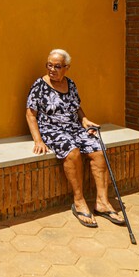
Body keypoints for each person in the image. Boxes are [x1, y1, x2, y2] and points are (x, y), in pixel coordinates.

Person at [26, 49, 125, 228]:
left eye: (57, 66)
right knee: (72, 152)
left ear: (66, 68)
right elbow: (30, 114)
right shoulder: (39, 86)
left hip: (74, 127)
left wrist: (85, 120)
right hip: (51, 129)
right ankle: (79, 201)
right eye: (49, 65)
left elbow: (77, 107)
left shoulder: (70, 84)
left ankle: (102, 202)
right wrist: (38, 140)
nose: (52, 69)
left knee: (98, 149)